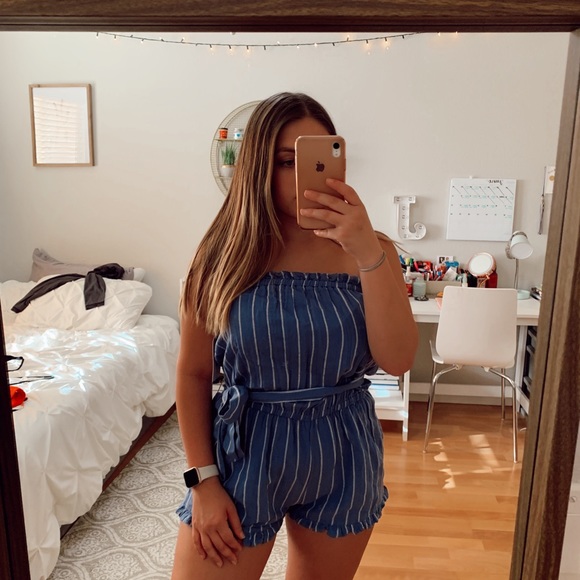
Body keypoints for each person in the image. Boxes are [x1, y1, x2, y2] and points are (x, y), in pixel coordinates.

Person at [172, 92, 418, 580]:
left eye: (317, 158)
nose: (305, 176)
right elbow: (194, 373)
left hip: (344, 449)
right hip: (244, 450)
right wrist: (203, 482)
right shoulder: (221, 254)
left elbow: (399, 360)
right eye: (287, 161)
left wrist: (367, 252)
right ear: (257, 167)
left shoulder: (373, 251)